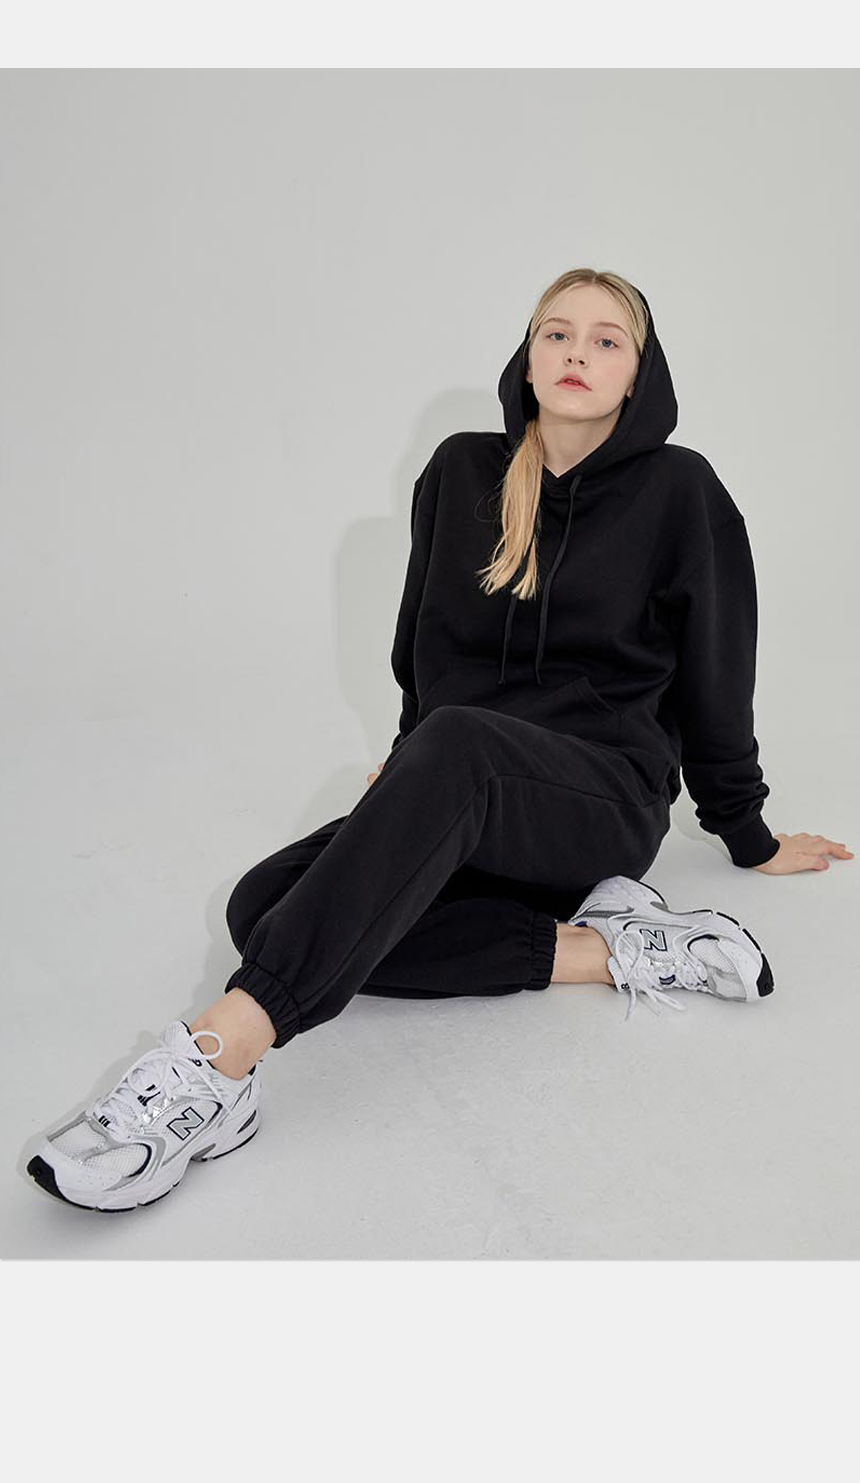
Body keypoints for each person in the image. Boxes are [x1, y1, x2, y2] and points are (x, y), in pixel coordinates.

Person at [28, 268, 853, 1212]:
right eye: (556, 333)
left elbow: (718, 671)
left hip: (600, 797)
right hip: (468, 784)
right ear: (527, 358)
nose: (577, 352)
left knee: (436, 771)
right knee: (261, 908)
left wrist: (747, 831)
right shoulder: (462, 470)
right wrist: (414, 763)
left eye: (606, 340)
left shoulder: (681, 490)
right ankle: (609, 950)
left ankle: (219, 1063)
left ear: (640, 374)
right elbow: (423, 644)